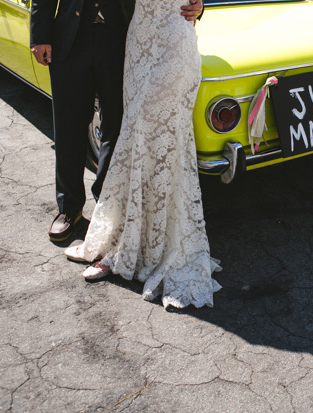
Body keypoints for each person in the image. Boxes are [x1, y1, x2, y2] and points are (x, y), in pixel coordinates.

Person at [63, 0, 222, 309]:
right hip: (139, 40)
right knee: (134, 137)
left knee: (157, 139)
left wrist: (201, 4)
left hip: (174, 42)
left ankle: (144, 249)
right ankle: (122, 242)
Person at [30, 0, 204, 242]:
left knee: (118, 127)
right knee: (69, 125)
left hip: (122, 40)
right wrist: (39, 35)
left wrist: (197, 5)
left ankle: (108, 206)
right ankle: (69, 209)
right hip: (69, 38)